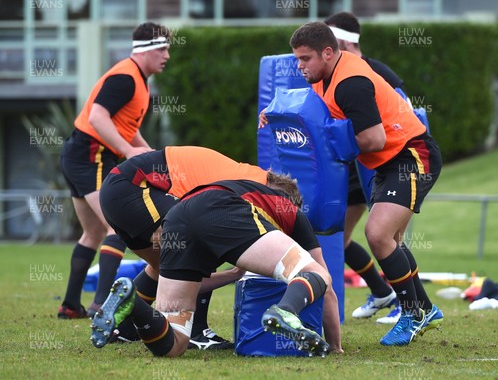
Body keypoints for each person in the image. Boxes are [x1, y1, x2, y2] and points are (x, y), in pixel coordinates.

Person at [261, 21, 443, 347]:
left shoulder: (350, 83)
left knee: (378, 234)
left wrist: (334, 146)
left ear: (328, 53)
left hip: (411, 156)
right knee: (393, 240)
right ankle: (424, 309)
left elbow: (374, 138)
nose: (299, 66)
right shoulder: (324, 76)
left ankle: (414, 312)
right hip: (386, 163)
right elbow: (310, 104)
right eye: (297, 59)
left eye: (305, 59)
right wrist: (276, 113)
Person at [91, 178, 344, 357]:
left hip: (177, 216)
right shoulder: (288, 209)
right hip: (223, 207)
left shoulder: (239, 187)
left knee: (175, 343)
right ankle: (286, 311)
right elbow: (327, 286)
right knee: (316, 273)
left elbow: (196, 286)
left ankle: (134, 302)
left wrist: (232, 275)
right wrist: (336, 347)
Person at [98, 145, 279, 349]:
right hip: (131, 188)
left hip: (117, 191)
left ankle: (123, 327)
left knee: (164, 268)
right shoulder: (252, 186)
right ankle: (196, 331)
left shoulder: (247, 176)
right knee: (200, 241)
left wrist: (234, 274)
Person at [58, 22, 171, 319]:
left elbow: (124, 127)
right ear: (144, 50)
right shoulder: (125, 77)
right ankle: (100, 306)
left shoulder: (136, 79)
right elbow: (97, 117)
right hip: (90, 155)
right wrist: (130, 151)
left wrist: (145, 151)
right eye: (162, 48)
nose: (167, 55)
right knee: (117, 228)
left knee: (93, 233)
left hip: (82, 154)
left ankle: (70, 305)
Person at [324, 12, 405, 324]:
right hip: (349, 166)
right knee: (337, 239)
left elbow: (406, 119)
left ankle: (406, 303)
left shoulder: (375, 73)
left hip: (383, 162)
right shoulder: (329, 73)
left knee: (391, 237)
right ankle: (381, 291)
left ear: (342, 42)